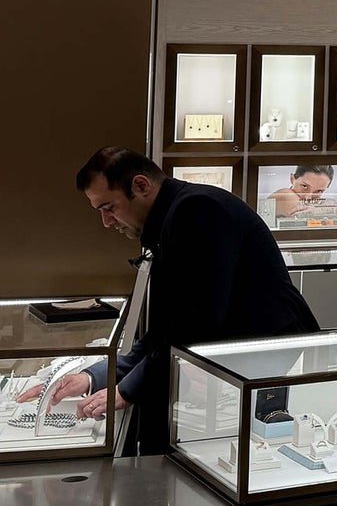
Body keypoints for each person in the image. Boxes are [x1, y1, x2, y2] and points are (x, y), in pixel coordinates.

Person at [28, 148, 319, 454]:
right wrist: (95, 377)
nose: (106, 222)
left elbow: (194, 326)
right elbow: (168, 330)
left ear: (141, 186)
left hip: (267, 367)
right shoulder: (176, 214)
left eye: (109, 207)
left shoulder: (197, 210)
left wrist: (127, 390)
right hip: (237, 366)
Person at [267, 164, 333, 220]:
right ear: (292, 179)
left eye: (319, 191)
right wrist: (325, 209)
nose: (308, 198)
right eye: (305, 186)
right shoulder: (285, 195)